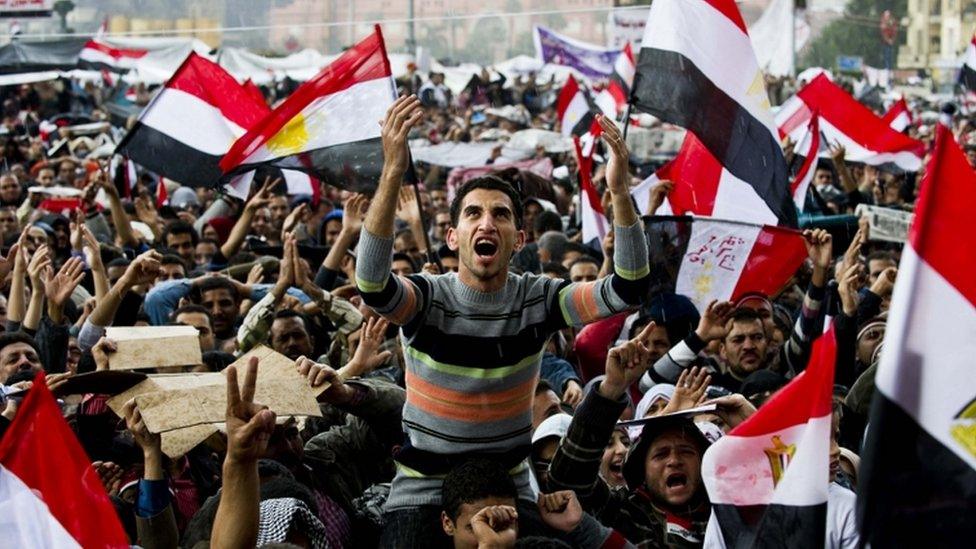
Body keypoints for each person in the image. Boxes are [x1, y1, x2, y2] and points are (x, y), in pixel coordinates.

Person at [356, 97, 649, 544]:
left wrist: (621, 193)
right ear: (453, 237)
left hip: (508, 482)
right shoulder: (427, 298)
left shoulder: (540, 299)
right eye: (473, 213)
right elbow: (373, 285)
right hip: (424, 486)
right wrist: (393, 170)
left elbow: (628, 287)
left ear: (519, 239)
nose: (486, 223)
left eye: (501, 215)